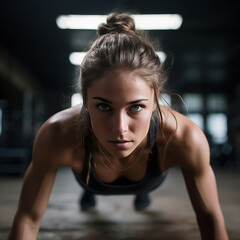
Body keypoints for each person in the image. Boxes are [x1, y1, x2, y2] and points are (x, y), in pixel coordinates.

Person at [8, 12, 229, 240]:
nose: (120, 128)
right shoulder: (56, 134)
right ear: (85, 101)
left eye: (135, 107)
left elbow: (210, 217)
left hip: (150, 171)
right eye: (104, 107)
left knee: (143, 186)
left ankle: (141, 193)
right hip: (89, 173)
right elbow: (27, 218)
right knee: (89, 177)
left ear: (155, 101)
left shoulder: (184, 137)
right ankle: (89, 192)